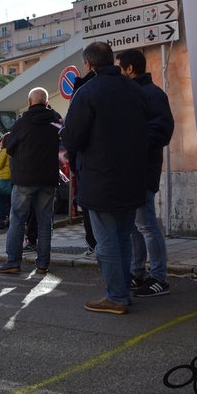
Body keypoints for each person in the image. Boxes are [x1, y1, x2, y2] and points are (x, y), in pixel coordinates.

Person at [60, 42, 151, 315]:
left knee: (107, 241)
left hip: (101, 177)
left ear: (88, 65)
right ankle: (122, 291)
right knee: (123, 237)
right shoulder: (135, 89)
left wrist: (72, 155)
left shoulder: (88, 92)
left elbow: (72, 134)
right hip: (132, 175)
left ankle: (115, 297)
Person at [116, 48, 175, 297]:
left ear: (130, 68)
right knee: (133, 227)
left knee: (147, 225)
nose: (116, 72)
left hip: (142, 169)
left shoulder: (152, 94)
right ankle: (138, 273)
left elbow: (161, 130)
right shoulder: (129, 93)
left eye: (119, 67)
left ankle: (159, 277)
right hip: (128, 170)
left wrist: (131, 147)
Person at [0, 88, 60, 274]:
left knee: (17, 219)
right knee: (45, 221)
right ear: (47, 103)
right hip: (48, 178)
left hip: (24, 178)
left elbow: (9, 147)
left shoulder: (21, 123)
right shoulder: (55, 121)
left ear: (29, 102)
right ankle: (42, 264)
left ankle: (14, 262)